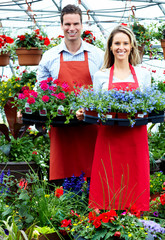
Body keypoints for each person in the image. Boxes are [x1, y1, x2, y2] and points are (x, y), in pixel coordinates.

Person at [76, 25, 151, 211]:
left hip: (135, 137)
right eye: (117, 43)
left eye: (125, 43)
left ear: (132, 46)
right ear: (110, 46)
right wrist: (83, 111)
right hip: (109, 137)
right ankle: (104, 222)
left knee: (135, 177)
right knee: (107, 177)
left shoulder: (143, 74)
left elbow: (149, 106)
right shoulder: (100, 75)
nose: (121, 47)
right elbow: (95, 106)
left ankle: (135, 225)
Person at [37, 4, 104, 181]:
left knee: (93, 174)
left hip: (90, 124)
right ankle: (64, 206)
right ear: (61, 26)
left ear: (82, 25)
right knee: (63, 175)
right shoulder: (50, 56)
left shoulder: (97, 54)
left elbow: (104, 87)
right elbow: (41, 88)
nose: (71, 28)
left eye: (75, 24)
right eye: (67, 24)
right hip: (61, 126)